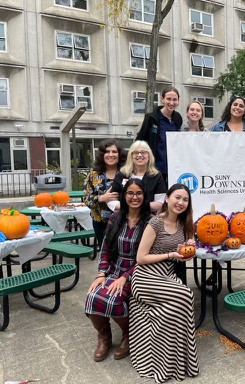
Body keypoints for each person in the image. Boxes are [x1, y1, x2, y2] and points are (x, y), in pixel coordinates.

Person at [130, 184, 199, 383]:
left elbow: (187, 249)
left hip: (166, 276)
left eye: (185, 200)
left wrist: (188, 250)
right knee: (186, 295)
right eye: (177, 197)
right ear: (167, 199)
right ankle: (179, 363)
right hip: (145, 277)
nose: (181, 203)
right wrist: (171, 254)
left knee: (176, 308)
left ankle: (175, 363)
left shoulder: (185, 224)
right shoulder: (155, 224)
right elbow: (140, 258)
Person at [85, 179, 151, 362]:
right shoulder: (115, 217)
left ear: (144, 196)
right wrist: (101, 274)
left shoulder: (150, 222)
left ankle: (128, 335)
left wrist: (125, 278)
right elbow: (105, 248)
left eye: (139, 193)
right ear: (124, 195)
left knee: (114, 300)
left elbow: (145, 258)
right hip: (114, 269)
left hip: (137, 271)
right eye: (130, 193)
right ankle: (104, 337)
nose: (134, 197)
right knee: (92, 295)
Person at [83, 139, 126, 246]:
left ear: (120, 154)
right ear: (102, 154)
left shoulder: (126, 173)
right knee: (105, 254)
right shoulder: (93, 174)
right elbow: (86, 200)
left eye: (114, 152)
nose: (110, 155)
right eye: (107, 151)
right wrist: (101, 198)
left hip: (124, 222)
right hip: (100, 223)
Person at [136, 86, 182, 185]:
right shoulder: (151, 118)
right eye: (168, 99)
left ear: (178, 101)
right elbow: (140, 141)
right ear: (162, 99)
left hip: (173, 168)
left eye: (174, 100)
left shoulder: (178, 118)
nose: (171, 103)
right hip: (155, 167)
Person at [109, 141, 166, 213]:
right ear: (131, 156)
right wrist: (129, 207)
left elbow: (160, 202)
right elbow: (111, 201)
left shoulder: (156, 176)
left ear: (149, 156)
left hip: (148, 219)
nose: (139, 155)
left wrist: (137, 207)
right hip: (124, 218)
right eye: (135, 152)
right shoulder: (122, 174)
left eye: (143, 152)